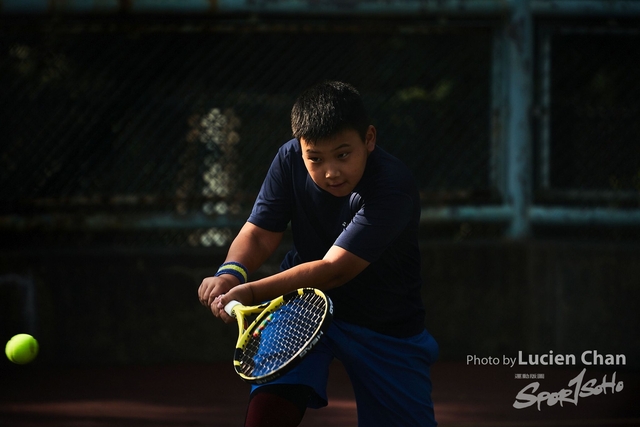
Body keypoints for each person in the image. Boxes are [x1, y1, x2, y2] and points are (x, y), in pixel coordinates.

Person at [198, 81, 438, 427]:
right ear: (300, 147)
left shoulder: (392, 186)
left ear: (369, 138)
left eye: (343, 154)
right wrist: (230, 272)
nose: (331, 171)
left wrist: (250, 291)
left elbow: (334, 269)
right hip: (302, 303)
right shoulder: (289, 158)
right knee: (272, 397)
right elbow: (260, 233)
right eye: (316, 157)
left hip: (387, 323)